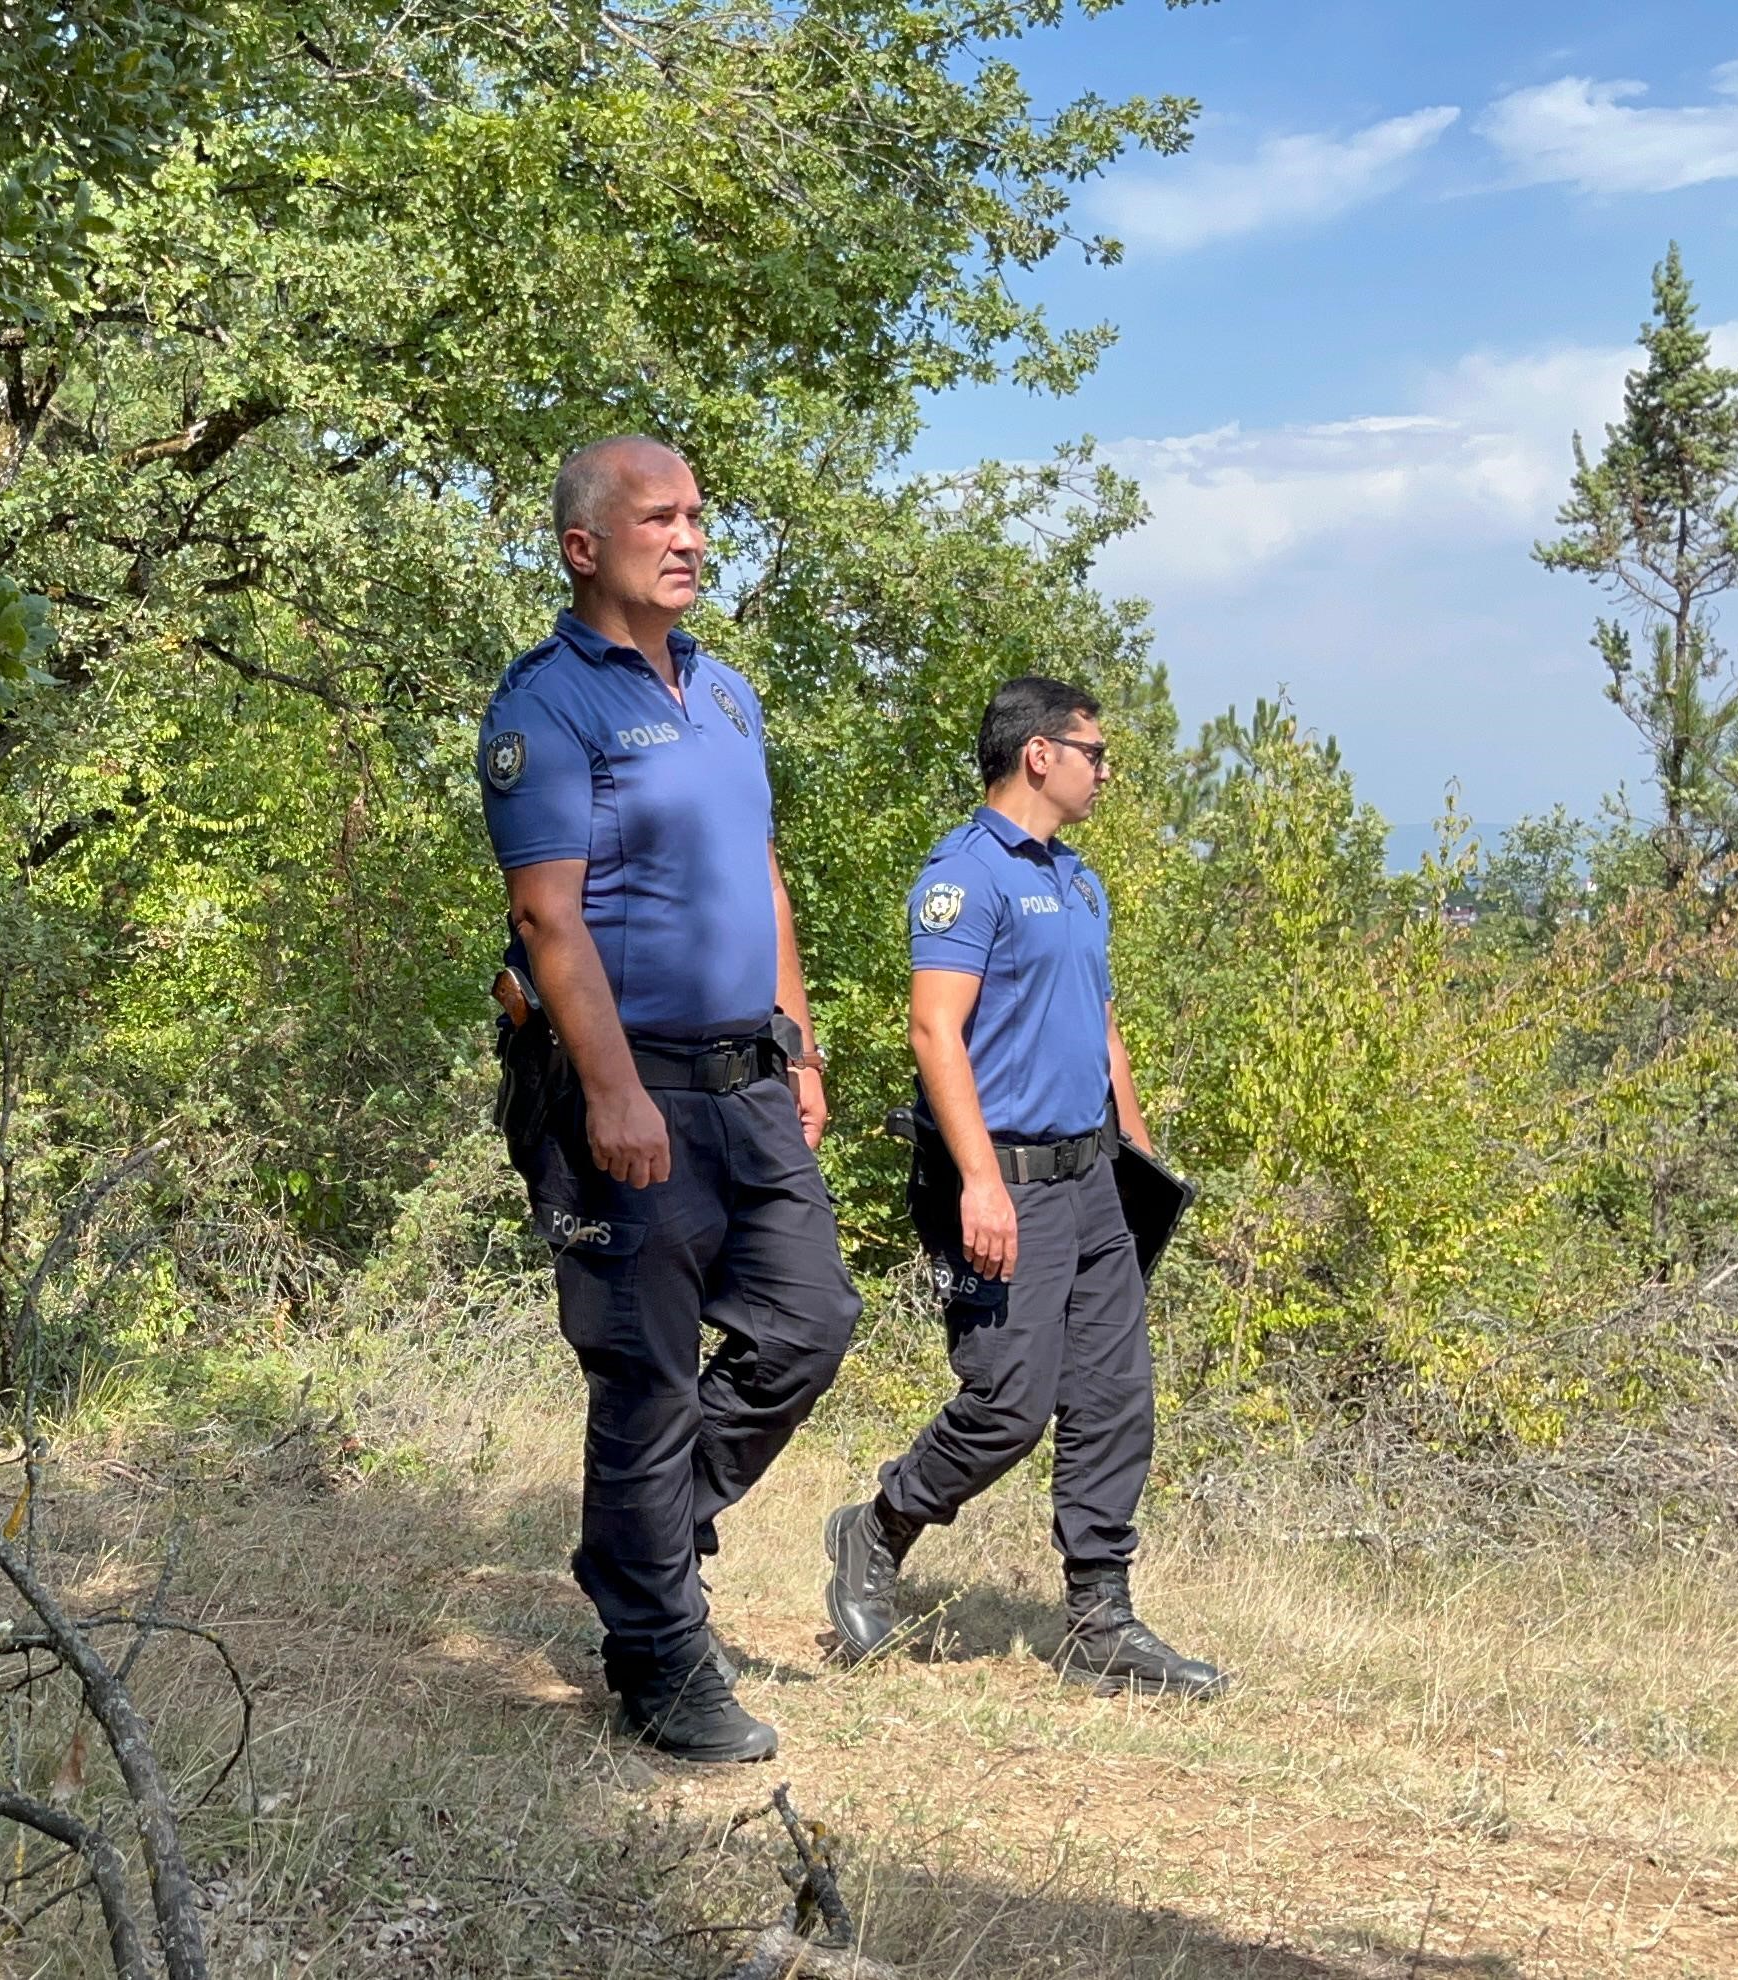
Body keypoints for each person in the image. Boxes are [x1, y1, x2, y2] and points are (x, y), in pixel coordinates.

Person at [481, 435, 860, 1762]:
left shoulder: (729, 695)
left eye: (700, 514)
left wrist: (800, 1038)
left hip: (747, 1080)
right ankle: (658, 1664)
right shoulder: (548, 707)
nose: (692, 536)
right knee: (642, 1380)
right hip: (627, 1092)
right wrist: (613, 1094)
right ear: (586, 547)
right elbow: (550, 919)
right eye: (661, 517)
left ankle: (638, 1536)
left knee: (812, 1320)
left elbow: (761, 872)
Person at [817, 676, 1227, 1697]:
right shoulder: (966, 876)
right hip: (1002, 1180)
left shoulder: (1080, 882)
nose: (1105, 771)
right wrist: (978, 1184)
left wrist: (1136, 1160)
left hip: (1091, 1179)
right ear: (1038, 754)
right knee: (1008, 1404)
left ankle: (1100, 1621)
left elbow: (1098, 1025)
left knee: (1113, 1398)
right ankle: (878, 1528)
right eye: (1095, 752)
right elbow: (933, 1033)